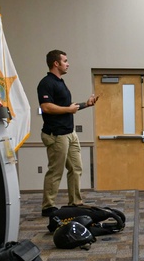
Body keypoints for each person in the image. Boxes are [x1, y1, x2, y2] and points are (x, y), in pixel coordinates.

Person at [37, 49, 98, 217]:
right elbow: (46, 107)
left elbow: (68, 107)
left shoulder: (60, 82)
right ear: (56, 63)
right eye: (65, 61)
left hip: (70, 133)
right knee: (56, 171)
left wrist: (86, 104)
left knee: (76, 168)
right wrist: (68, 109)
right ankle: (48, 206)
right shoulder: (46, 83)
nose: (68, 63)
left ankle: (75, 202)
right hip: (56, 135)